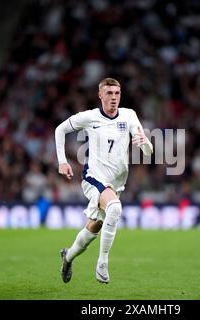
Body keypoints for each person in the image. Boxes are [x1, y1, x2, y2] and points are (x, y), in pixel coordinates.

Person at [55, 78, 153, 283]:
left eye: (117, 93)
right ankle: (102, 262)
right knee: (115, 208)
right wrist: (62, 162)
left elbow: (148, 151)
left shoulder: (129, 115)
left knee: (94, 227)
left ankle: (68, 256)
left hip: (116, 182)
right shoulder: (90, 117)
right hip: (94, 177)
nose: (114, 98)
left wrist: (145, 144)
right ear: (100, 95)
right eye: (109, 93)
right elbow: (60, 130)